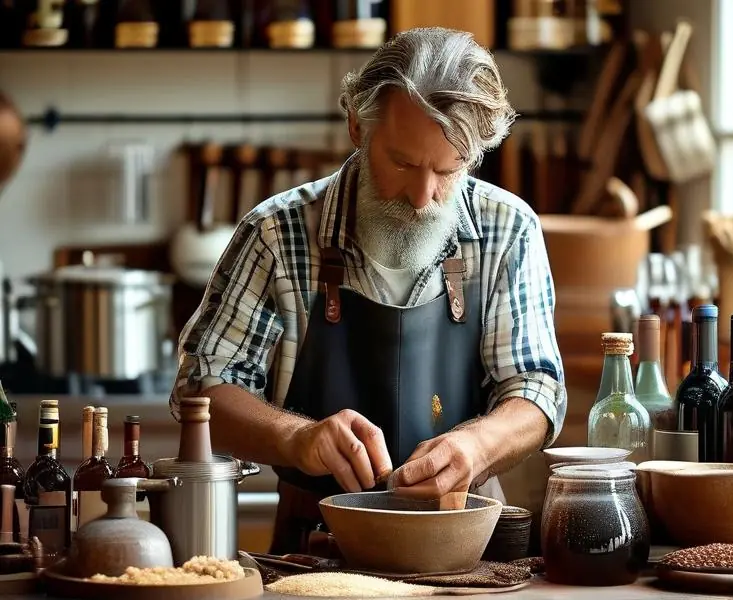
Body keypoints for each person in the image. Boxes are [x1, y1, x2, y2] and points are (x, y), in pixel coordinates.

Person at [170, 26, 567, 555]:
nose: (423, 196)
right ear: (358, 126)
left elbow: (536, 389)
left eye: (447, 170)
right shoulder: (278, 234)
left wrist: (477, 446)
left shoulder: (508, 230)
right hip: (314, 551)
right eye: (402, 163)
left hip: (469, 545)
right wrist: (298, 438)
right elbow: (201, 389)